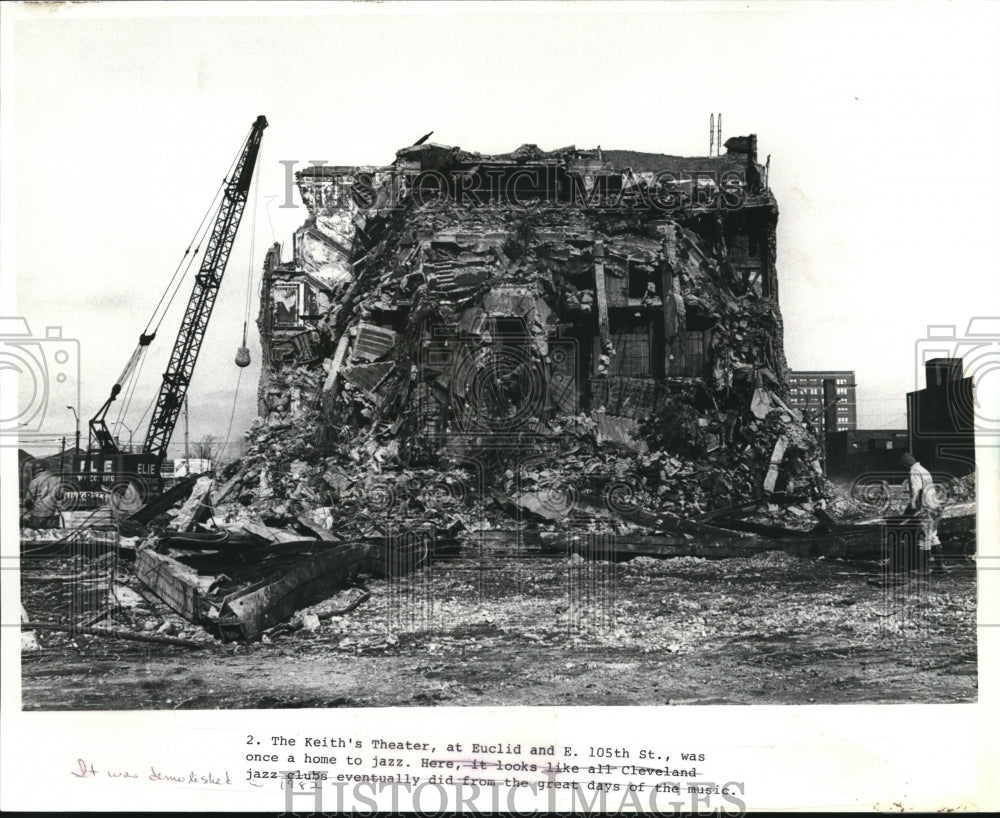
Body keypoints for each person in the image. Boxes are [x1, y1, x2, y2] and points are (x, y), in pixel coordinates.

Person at [899, 452, 946, 573]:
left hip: (924, 508)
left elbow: (916, 491)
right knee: (932, 536)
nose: (903, 468)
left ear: (906, 463)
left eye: (903, 465)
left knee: (923, 538)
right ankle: (940, 566)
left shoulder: (914, 471)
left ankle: (923, 568)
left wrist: (912, 509)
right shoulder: (923, 469)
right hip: (934, 506)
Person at [23, 463, 62, 529]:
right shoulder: (56, 480)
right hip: (51, 512)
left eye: (33, 470)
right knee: (49, 534)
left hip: (37, 513)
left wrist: (28, 506)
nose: (33, 472)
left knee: (37, 534)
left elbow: (29, 498)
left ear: (37, 470)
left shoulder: (35, 481)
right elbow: (60, 496)